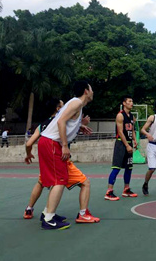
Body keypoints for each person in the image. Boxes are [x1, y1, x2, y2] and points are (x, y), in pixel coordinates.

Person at [36, 81, 98, 230]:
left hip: (48, 142)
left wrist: (79, 126)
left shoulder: (77, 105)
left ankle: (47, 213)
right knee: (59, 181)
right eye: (91, 89)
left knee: (58, 180)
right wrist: (64, 145)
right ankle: (49, 219)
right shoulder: (77, 102)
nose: (92, 92)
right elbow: (61, 121)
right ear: (86, 91)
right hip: (52, 143)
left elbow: (64, 120)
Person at [23, 98, 93, 223]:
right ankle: (81, 214)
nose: (66, 106)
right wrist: (80, 123)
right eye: (63, 105)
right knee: (84, 183)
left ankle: (31, 209)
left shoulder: (43, 125)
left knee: (42, 182)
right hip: (59, 157)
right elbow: (64, 126)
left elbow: (29, 144)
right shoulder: (62, 121)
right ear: (58, 109)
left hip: (48, 159)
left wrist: (28, 154)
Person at [105, 96, 138, 201]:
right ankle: (109, 191)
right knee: (116, 167)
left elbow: (132, 130)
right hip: (121, 144)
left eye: (132, 101)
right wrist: (127, 145)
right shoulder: (120, 115)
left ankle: (126, 189)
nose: (131, 103)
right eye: (129, 101)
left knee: (129, 168)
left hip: (129, 143)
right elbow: (120, 132)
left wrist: (134, 140)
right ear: (124, 103)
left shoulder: (132, 116)